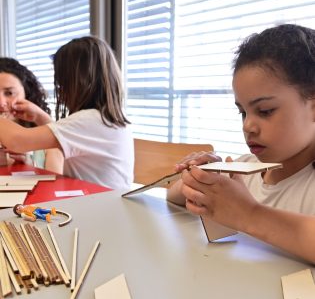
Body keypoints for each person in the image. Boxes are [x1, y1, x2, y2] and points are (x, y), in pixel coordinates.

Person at [167, 24, 315, 264]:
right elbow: (173, 198)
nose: (248, 126)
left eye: (265, 111)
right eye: (243, 112)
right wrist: (197, 178)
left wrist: (249, 214)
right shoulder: (244, 168)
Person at [0, 36, 134, 190]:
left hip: (99, 206)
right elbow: (61, 140)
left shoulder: (89, 120)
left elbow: (17, 140)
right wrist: (40, 116)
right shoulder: (106, 119)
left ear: (76, 82)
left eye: (60, 82)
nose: (59, 88)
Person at [0, 57, 63, 173]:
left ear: (27, 93)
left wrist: (29, 166)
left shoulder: (48, 137)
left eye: (9, 93)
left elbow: (57, 182)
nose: (1, 102)